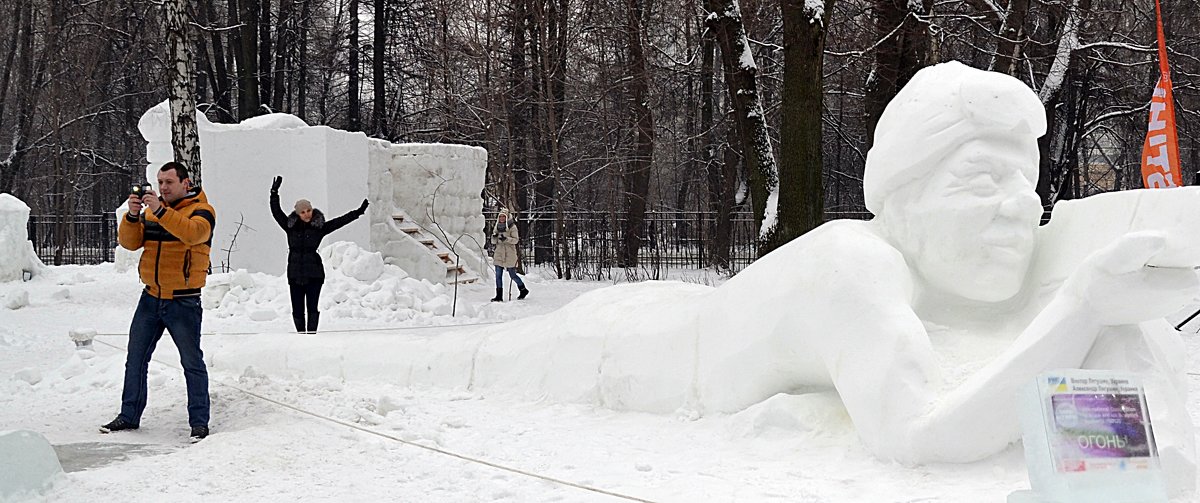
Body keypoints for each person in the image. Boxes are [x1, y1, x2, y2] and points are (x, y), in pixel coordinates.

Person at [449, 62, 1199, 489]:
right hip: (629, 351)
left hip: (668, 313)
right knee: (463, 362)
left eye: (1024, 185)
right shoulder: (852, 263)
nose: (1015, 211)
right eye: (977, 183)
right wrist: (1082, 305)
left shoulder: (971, 273)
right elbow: (917, 430)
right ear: (900, 202)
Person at [102, 161, 216, 443]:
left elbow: (192, 234)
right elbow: (130, 243)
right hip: (151, 297)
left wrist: (160, 210)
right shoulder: (153, 214)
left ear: (185, 184)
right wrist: (131, 215)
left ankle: (199, 422)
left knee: (191, 362)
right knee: (136, 359)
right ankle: (129, 415)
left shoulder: (203, 211)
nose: (163, 187)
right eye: (159, 182)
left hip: (183, 300)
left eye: (169, 182)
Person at [269, 175, 369, 333]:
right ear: (298, 214)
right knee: (297, 309)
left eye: (308, 210)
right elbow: (276, 213)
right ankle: (301, 335)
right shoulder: (290, 227)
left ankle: (312, 336)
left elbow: (339, 221)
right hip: (294, 274)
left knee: (312, 308)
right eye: (303, 212)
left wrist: (358, 212)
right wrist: (274, 193)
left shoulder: (319, 227)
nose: (307, 214)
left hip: (314, 274)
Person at [490, 209, 528, 301]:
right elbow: (493, 242)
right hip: (499, 253)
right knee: (498, 275)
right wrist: (494, 237)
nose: (502, 218)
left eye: (503, 217)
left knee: (512, 275)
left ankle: (523, 289)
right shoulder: (497, 226)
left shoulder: (512, 227)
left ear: (507, 218)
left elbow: (516, 240)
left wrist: (506, 239)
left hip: (509, 254)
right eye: (500, 217)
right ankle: (499, 296)